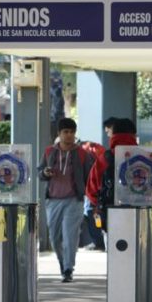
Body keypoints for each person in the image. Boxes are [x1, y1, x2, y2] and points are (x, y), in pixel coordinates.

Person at [39, 118, 93, 282]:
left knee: (70, 236)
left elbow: (90, 176)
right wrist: (45, 173)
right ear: (59, 133)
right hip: (53, 200)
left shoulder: (82, 154)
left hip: (74, 200)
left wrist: (87, 195)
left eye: (72, 132)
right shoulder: (49, 152)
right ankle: (63, 264)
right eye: (66, 132)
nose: (69, 135)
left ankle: (68, 269)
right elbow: (40, 172)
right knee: (55, 238)